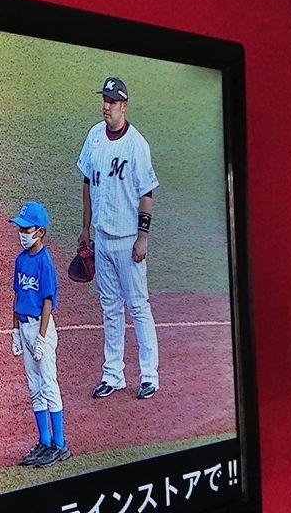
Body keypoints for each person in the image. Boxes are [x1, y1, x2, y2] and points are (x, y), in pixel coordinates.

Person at [76, 77, 161, 401]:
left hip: (128, 240)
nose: (106, 106)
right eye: (105, 100)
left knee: (138, 306)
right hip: (101, 237)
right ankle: (113, 375)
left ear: (124, 106)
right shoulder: (95, 136)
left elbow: (147, 195)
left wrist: (143, 238)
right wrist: (85, 229)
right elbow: (87, 184)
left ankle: (149, 376)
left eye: (112, 102)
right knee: (110, 307)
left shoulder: (136, 145)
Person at [9, 201, 70, 467]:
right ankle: (44, 441)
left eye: (26, 229)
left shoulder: (45, 262)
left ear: (40, 232)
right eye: (21, 228)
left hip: (40, 327)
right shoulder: (20, 260)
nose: (22, 233)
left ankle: (60, 444)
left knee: (49, 384)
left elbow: (47, 302)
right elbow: (17, 295)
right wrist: (14, 330)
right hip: (25, 327)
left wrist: (42, 338)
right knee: (35, 386)